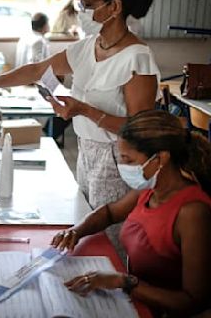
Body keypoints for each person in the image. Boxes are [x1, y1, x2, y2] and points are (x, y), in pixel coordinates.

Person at [0, 0, 160, 251]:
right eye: (80, 3)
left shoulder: (137, 57)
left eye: (88, 4)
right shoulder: (88, 47)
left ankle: (118, 290)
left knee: (109, 241)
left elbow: (142, 131)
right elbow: (38, 70)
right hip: (88, 152)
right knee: (85, 229)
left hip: (118, 158)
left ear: (114, 7)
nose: (81, 11)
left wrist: (84, 110)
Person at [51, 110, 211, 318]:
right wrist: (76, 231)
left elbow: (193, 301)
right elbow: (110, 212)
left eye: (128, 159)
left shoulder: (193, 213)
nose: (123, 167)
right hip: (139, 301)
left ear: (160, 158)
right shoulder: (151, 188)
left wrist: (122, 282)